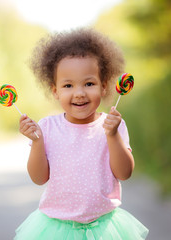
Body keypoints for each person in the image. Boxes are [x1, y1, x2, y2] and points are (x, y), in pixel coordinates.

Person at [15, 28, 149, 240]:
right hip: (56, 230)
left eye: (89, 83)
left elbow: (125, 173)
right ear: (55, 90)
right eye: (68, 85)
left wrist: (112, 136)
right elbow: (39, 178)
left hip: (104, 229)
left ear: (104, 87)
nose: (79, 93)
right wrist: (37, 142)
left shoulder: (114, 124)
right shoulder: (47, 128)